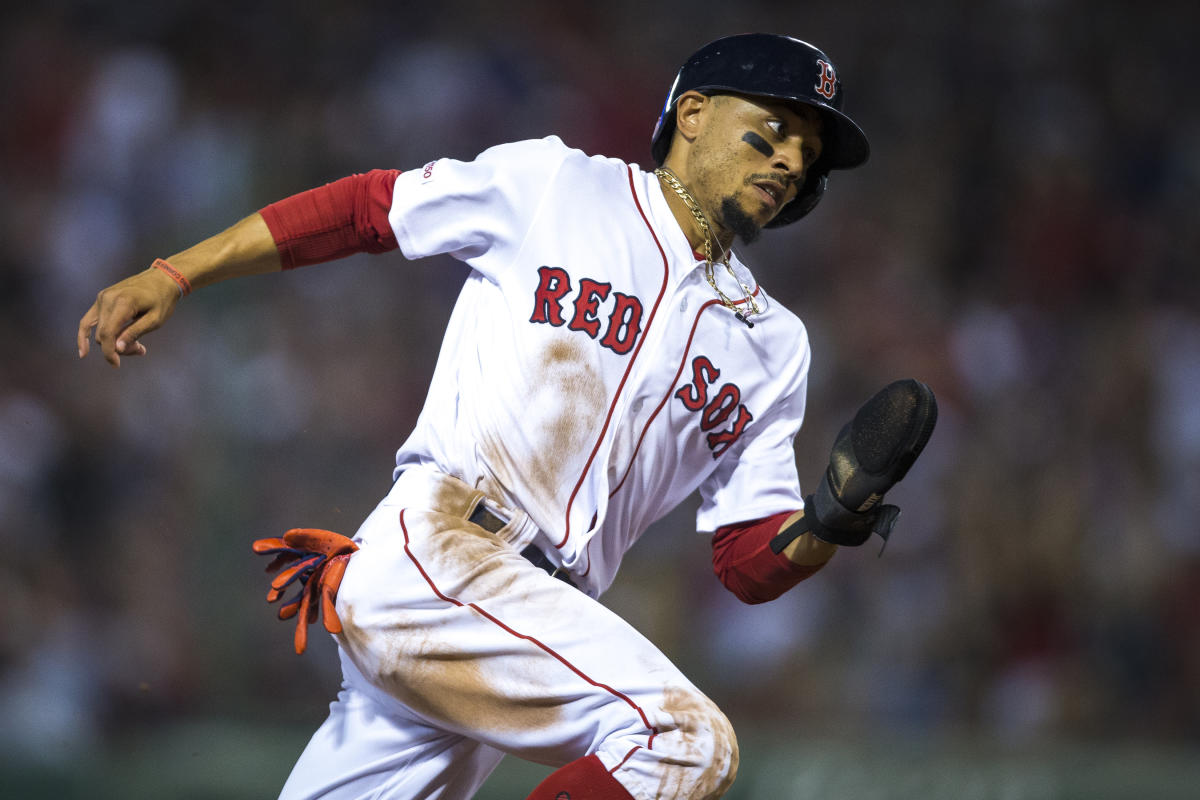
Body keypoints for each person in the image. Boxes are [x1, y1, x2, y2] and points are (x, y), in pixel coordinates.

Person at [77, 33, 936, 800]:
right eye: (775, 128)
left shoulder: (774, 345)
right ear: (696, 113)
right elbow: (369, 210)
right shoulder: (560, 185)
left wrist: (829, 521)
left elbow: (746, 562)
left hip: (516, 622)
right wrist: (175, 274)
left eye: (809, 150)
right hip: (442, 551)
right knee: (682, 740)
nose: (791, 159)